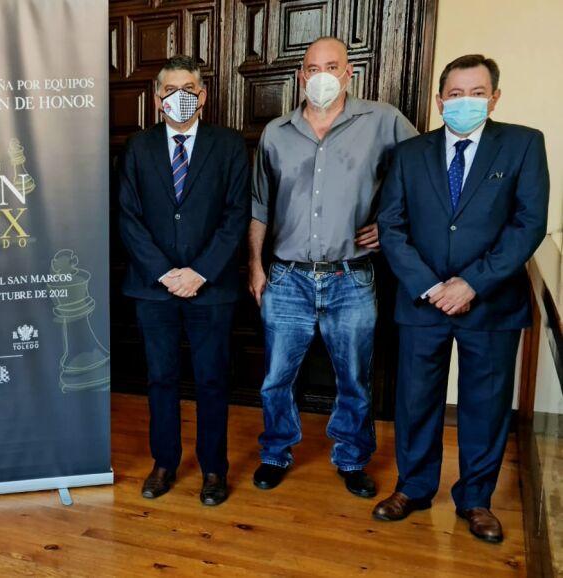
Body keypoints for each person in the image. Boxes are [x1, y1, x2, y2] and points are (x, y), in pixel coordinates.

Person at [374, 55, 548, 543]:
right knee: (415, 400)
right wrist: (431, 287)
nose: (465, 102)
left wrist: (472, 283)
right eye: (455, 94)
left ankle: (475, 500)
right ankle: (413, 487)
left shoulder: (523, 144)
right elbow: (391, 225)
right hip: (422, 303)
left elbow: (528, 223)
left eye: (477, 93)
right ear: (439, 101)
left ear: (494, 98)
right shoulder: (410, 154)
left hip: (490, 304)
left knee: (485, 406)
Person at [248, 37, 417, 497]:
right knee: (276, 379)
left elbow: (424, 174)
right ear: (300, 75)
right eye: (312, 68)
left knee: (354, 379)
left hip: (351, 277)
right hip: (287, 277)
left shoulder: (383, 121)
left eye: (331, 66)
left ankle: (352, 458)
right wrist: (255, 266)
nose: (321, 75)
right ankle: (275, 452)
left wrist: (390, 224)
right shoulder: (276, 133)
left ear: (348, 73)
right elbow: (260, 205)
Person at [118, 54, 251, 507]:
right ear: (157, 99)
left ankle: (214, 468)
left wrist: (199, 272)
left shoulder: (228, 144)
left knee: (212, 380)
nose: (179, 97)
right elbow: (129, 217)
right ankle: (164, 462)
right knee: (161, 379)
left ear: (203, 95)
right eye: (170, 91)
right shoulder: (138, 147)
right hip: (152, 288)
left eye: (188, 90)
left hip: (209, 287)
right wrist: (164, 273)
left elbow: (236, 215)